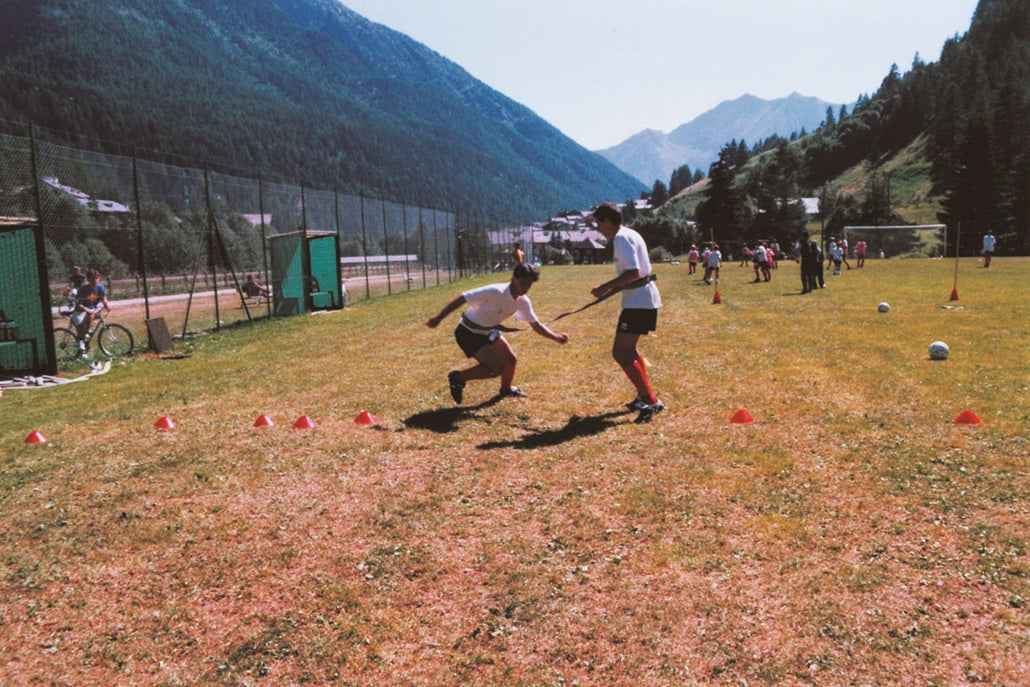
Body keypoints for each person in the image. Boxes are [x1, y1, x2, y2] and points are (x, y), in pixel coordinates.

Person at [425, 263, 568, 403]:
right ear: (513, 279)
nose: (525, 288)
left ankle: (506, 390)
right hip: (468, 333)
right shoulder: (496, 291)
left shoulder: (522, 301)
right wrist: (438, 318)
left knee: (510, 360)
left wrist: (556, 337)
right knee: (495, 369)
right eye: (522, 283)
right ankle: (457, 378)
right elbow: (463, 297)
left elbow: (536, 325)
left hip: (488, 331)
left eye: (529, 285)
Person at [590, 203, 664, 422]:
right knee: (629, 350)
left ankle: (651, 400)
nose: (598, 228)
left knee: (621, 352)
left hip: (639, 302)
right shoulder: (629, 234)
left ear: (607, 220)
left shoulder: (621, 238)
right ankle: (644, 397)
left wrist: (605, 287)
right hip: (641, 300)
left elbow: (632, 273)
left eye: (598, 223)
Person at [72, 268, 109, 357]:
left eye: (97, 278)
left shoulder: (100, 287)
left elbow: (104, 299)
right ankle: (81, 350)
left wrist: (107, 306)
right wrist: (87, 309)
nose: (95, 280)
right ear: (88, 279)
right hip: (80, 311)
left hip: (91, 310)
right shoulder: (83, 289)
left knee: (89, 329)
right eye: (93, 278)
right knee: (82, 329)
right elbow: (79, 304)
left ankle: (84, 343)